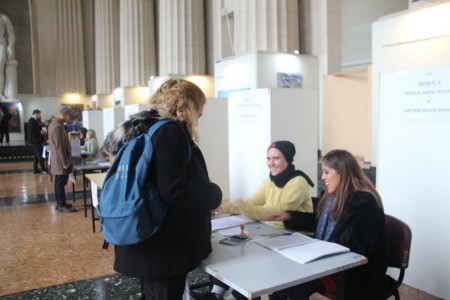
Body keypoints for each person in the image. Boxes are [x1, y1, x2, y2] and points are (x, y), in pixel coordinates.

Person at [104, 78, 222, 299]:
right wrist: (213, 195)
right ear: (188, 104)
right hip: (163, 246)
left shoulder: (146, 128)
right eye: (200, 106)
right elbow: (174, 189)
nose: (201, 113)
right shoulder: (170, 132)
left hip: (149, 239)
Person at [192, 141, 315, 300]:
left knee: (248, 258)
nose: (271, 163)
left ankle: (232, 298)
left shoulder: (298, 182)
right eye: (268, 158)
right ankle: (216, 293)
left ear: (288, 159)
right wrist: (224, 207)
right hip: (273, 234)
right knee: (235, 250)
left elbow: (276, 212)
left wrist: (242, 205)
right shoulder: (270, 180)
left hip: (295, 239)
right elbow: (252, 202)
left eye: (276, 158)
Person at [268, 149, 389, 300]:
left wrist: (314, 252)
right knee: (287, 274)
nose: (322, 176)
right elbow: (319, 222)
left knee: (296, 281)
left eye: (326, 172)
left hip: (358, 274)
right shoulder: (333, 195)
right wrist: (289, 216)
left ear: (342, 173)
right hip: (332, 264)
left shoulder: (364, 203)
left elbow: (357, 251)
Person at [48, 105, 78, 213]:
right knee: (60, 183)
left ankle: (61, 202)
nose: (69, 119)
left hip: (58, 160)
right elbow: (60, 146)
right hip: (60, 161)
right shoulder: (57, 127)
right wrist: (65, 162)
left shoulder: (55, 124)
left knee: (58, 182)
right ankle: (61, 204)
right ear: (63, 114)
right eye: (68, 116)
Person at [28, 109, 48, 174]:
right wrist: (41, 132)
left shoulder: (37, 120)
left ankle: (35, 169)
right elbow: (32, 130)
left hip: (38, 139)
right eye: (39, 114)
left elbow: (39, 127)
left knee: (36, 155)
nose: (40, 116)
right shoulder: (31, 120)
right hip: (36, 140)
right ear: (35, 114)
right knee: (40, 155)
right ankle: (43, 169)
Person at [0, 13, 15, 98]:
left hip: (1, 44)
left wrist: (11, 46)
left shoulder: (4, 17)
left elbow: (11, 33)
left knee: (0, 68)